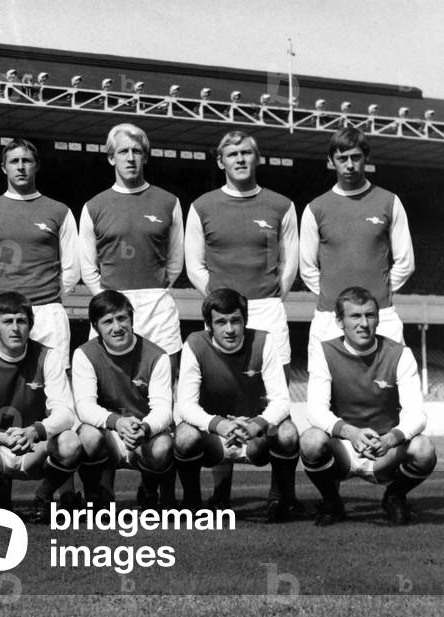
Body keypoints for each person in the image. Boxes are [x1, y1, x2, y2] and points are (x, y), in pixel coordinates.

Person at [302, 287, 435, 526]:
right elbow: (315, 411)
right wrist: (351, 433)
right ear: (340, 321)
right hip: (342, 448)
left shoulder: (400, 354)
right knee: (310, 440)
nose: (364, 323)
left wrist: (390, 439)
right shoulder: (324, 352)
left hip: (383, 451)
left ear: (378, 319)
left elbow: (417, 414)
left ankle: (394, 496)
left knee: (424, 449)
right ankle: (332, 502)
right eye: (355, 316)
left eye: (370, 315)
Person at [174, 288, 302, 521]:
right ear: (209, 325)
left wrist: (257, 424)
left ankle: (279, 499)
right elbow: (185, 405)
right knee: (183, 436)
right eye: (221, 322)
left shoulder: (264, 341)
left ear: (245, 321)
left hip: (254, 435)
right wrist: (219, 424)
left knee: (288, 432)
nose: (230, 329)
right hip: (215, 434)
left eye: (236, 320)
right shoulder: (194, 343)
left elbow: (281, 400)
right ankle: (193, 501)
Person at [0, 292, 80, 520]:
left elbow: (66, 413)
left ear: (31, 324)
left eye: (21, 321)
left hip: (33, 448)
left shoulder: (47, 357)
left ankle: (43, 495)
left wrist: (33, 431)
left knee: (70, 442)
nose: (15, 328)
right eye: (8, 321)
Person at [184, 130, 297, 374]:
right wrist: (219, 300)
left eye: (246, 153)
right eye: (232, 154)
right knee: (222, 384)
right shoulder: (201, 207)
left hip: (267, 308)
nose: (240, 159)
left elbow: (288, 263)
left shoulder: (282, 205)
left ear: (257, 158)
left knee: (277, 387)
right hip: (223, 312)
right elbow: (194, 266)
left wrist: (273, 297)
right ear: (220, 161)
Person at [299, 126, 415, 361]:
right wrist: (331, 295)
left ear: (366, 158)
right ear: (331, 161)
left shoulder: (389, 202)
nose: (349, 165)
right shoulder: (315, 208)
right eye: (342, 158)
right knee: (325, 391)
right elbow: (307, 268)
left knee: (388, 388)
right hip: (330, 317)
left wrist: (380, 291)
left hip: (380, 314)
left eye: (355, 157)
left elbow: (406, 262)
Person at [78, 123, 184, 361]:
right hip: (111, 305)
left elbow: (176, 259)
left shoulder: (169, 202)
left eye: (136, 151)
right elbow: (87, 267)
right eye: (123, 151)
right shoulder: (93, 206)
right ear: (111, 158)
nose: (130, 158)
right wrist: (108, 300)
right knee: (111, 383)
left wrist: (158, 289)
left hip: (157, 305)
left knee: (164, 379)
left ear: (145, 157)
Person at [0, 137, 79, 369]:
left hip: (48, 312)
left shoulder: (60, 211)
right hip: (5, 313)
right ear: (3, 167)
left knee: (53, 386)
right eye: (14, 161)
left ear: (36, 165)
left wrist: (50, 296)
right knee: (5, 381)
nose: (20, 166)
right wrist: (1, 302)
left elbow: (72, 268)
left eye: (26, 161)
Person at [72, 290, 174, 509]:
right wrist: (117, 422)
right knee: (87, 436)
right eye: (107, 321)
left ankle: (148, 490)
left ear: (131, 320)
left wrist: (144, 428)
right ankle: (98, 494)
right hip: (108, 432)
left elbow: (164, 409)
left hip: (141, 433)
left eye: (122, 318)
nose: (116, 327)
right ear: (95, 326)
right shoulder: (84, 354)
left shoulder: (157, 356)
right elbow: (84, 406)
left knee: (163, 446)